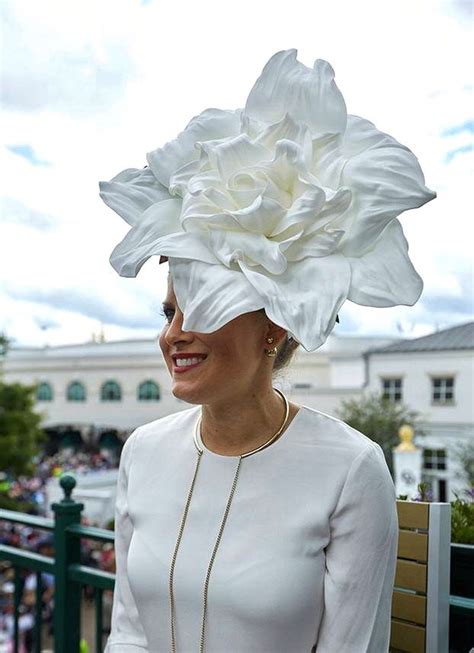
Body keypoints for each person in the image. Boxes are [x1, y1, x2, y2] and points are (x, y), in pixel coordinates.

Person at [99, 49, 436, 652]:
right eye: (170, 310)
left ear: (274, 326)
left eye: (202, 307)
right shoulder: (142, 453)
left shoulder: (351, 470)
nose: (175, 333)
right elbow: (128, 630)